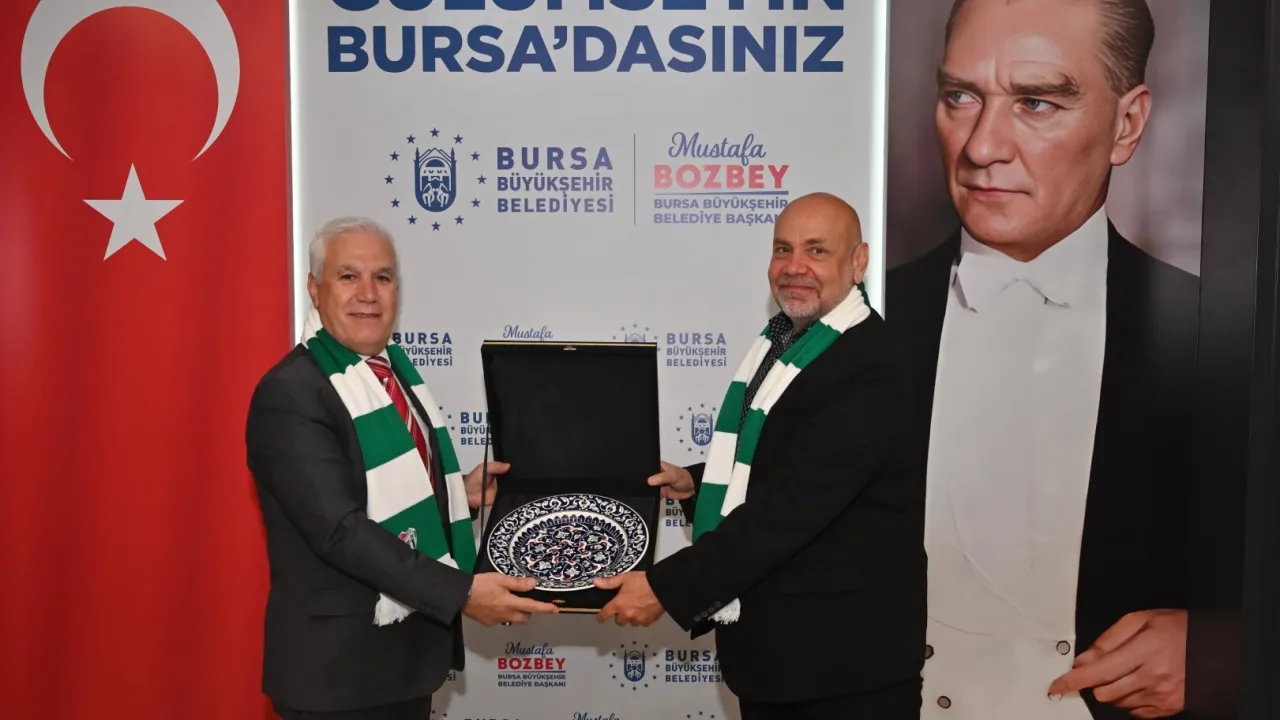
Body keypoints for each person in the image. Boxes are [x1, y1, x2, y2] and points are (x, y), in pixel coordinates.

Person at [884, 1, 1194, 718]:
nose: (982, 146)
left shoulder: (1218, 335)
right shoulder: (858, 326)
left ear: (1127, 124)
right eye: (960, 96)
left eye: (1036, 102)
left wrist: (1224, 646)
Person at [594, 192, 926, 719]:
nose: (795, 267)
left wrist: (665, 587)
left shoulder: (869, 363)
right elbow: (784, 462)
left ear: (858, 261)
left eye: (817, 250)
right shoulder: (786, 343)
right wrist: (697, 482)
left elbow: (793, 507)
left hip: (843, 671)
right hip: (784, 659)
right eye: (783, 249)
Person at [246, 217, 559, 720]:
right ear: (315, 289)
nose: (368, 294)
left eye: (383, 277)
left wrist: (457, 494)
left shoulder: (394, 375)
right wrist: (461, 593)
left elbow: (392, 491)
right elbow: (339, 529)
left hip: (406, 661)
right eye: (348, 276)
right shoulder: (291, 394)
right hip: (337, 677)